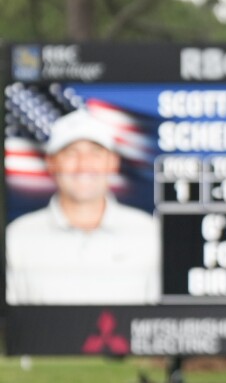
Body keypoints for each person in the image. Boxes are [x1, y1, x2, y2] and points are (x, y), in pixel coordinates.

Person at [6, 108, 161, 305]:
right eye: (71, 153)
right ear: (51, 163)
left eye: (95, 152)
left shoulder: (149, 232)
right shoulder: (17, 237)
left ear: (112, 162)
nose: (83, 165)